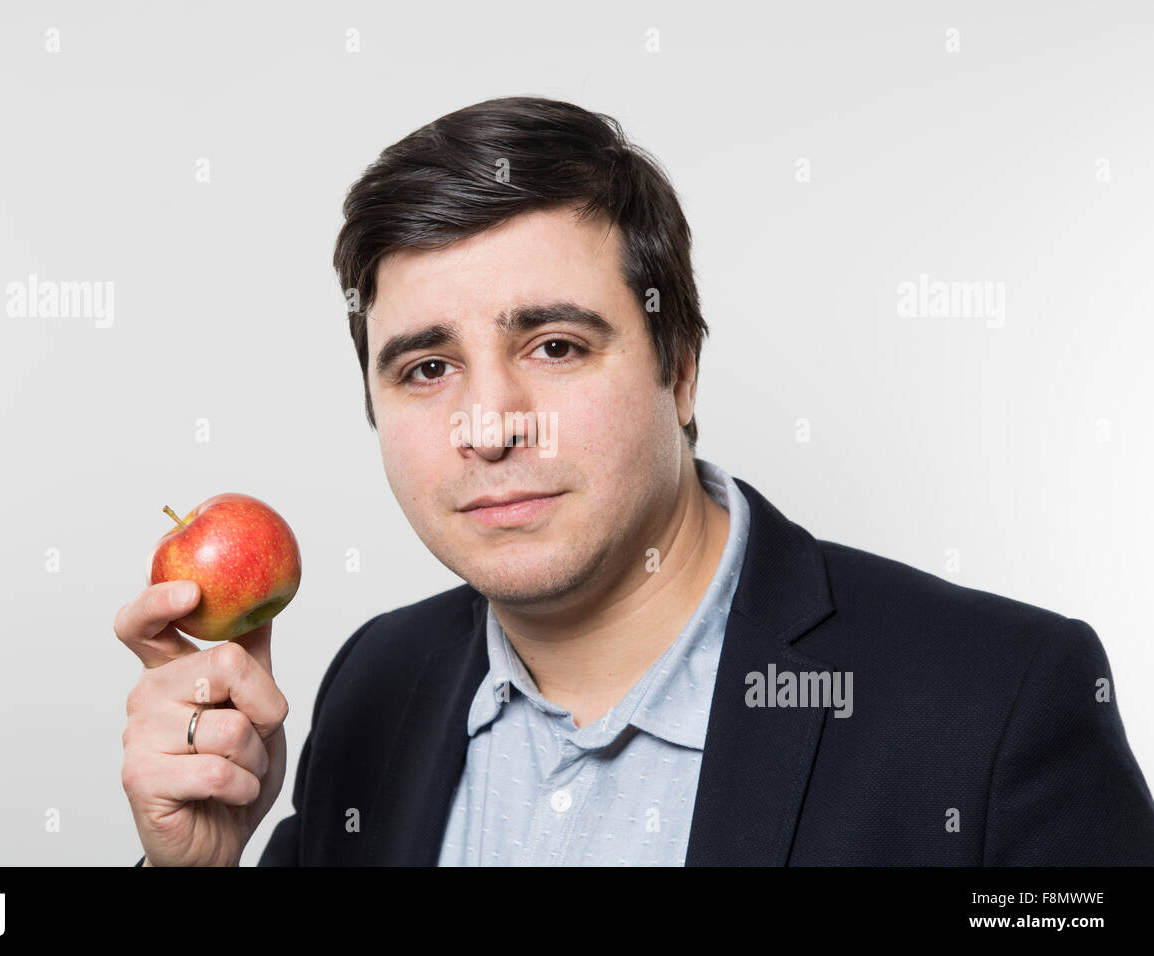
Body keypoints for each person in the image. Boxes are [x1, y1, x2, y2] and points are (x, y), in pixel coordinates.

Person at [117, 96, 1154, 866]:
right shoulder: (370, 688)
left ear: (680, 366)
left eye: (557, 345)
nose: (489, 425)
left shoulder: (1000, 700)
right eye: (427, 368)